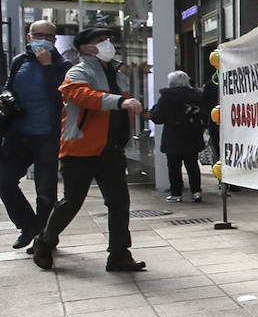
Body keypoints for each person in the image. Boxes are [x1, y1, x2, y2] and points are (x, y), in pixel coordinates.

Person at [31, 27, 145, 272]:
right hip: (80, 149)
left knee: (118, 202)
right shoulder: (78, 72)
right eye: (100, 40)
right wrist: (119, 101)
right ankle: (44, 242)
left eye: (107, 39)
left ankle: (119, 254)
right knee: (72, 202)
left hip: (112, 149)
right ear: (85, 48)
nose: (107, 44)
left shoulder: (115, 71)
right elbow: (84, 96)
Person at [1, 20, 70, 251]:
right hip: (18, 134)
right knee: (4, 180)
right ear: (29, 37)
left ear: (55, 40)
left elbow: (61, 97)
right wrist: (8, 96)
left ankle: (44, 238)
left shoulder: (63, 66)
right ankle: (27, 226)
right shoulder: (19, 61)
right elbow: (8, 85)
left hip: (48, 136)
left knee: (45, 191)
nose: (43, 39)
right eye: (38, 35)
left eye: (48, 36)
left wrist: (48, 66)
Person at [148, 71, 206, 203]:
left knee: (174, 166)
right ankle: (196, 192)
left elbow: (158, 118)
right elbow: (204, 114)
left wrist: (152, 111)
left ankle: (176, 193)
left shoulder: (166, 97)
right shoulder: (197, 96)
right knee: (192, 165)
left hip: (173, 137)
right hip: (193, 135)